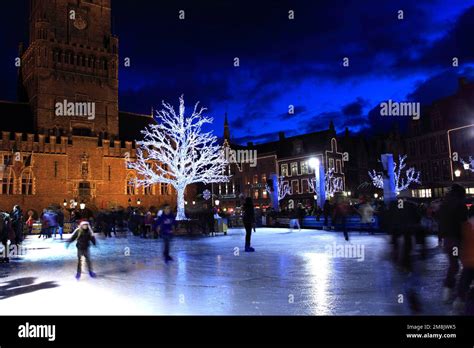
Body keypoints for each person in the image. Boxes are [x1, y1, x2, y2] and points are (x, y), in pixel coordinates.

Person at [439, 184, 468, 303]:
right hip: (457, 239)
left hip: (448, 240)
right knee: (467, 266)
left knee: (454, 265)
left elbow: (441, 223)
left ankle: (447, 291)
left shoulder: (444, 204)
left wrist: (440, 237)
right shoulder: (460, 205)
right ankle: (461, 294)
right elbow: (463, 223)